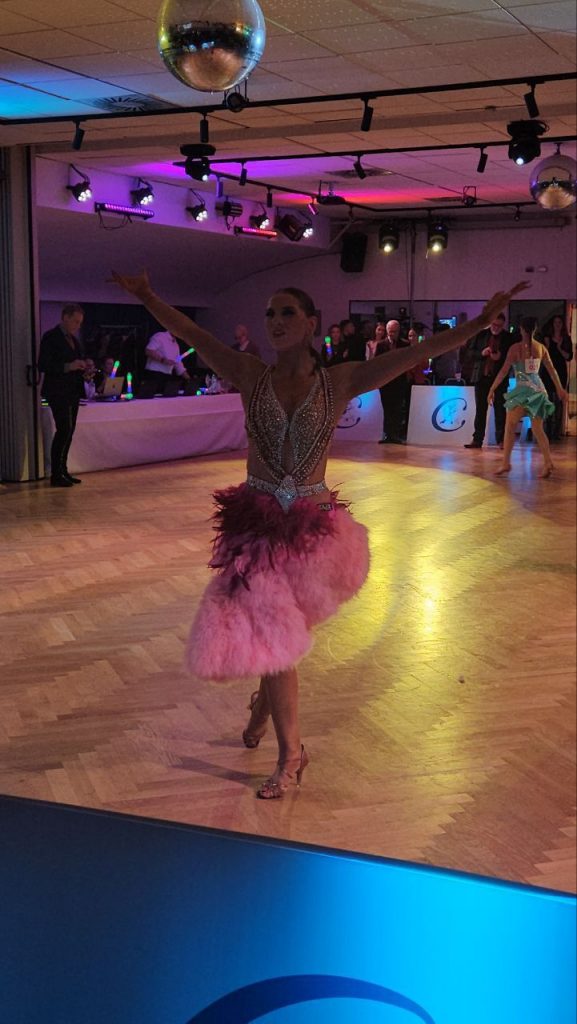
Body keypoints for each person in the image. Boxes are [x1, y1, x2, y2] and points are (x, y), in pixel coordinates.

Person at [110, 269, 529, 799]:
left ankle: (266, 706)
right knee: (276, 636)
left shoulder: (340, 381)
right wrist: (148, 296)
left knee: (277, 636)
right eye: (270, 313)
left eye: (287, 312)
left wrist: (481, 321)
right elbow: (193, 335)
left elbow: (421, 350)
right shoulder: (248, 372)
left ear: (311, 323)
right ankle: (292, 755)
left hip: (312, 535)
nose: (275, 321)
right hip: (257, 529)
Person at [488, 316, 567, 478]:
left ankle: (506, 463)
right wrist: (560, 388)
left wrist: (492, 388)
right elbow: (552, 370)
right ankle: (548, 462)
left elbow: (503, 371)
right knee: (538, 429)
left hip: (523, 392)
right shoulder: (541, 348)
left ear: (522, 329)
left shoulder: (515, 348)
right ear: (535, 329)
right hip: (538, 392)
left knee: (510, 426)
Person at [38, 302, 87, 487]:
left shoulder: (74, 340)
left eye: (80, 323)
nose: (78, 326)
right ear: (65, 317)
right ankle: (56, 474)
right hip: (57, 391)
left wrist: (83, 369)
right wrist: (70, 366)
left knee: (69, 431)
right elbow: (43, 364)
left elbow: (74, 363)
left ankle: (63, 470)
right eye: (76, 321)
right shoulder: (51, 337)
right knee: (64, 430)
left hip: (72, 390)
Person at [463, 312, 508, 449]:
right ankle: (477, 439)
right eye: (494, 324)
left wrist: (500, 356)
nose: (496, 328)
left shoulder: (508, 337)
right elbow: (469, 353)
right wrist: (482, 353)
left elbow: (511, 357)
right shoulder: (480, 335)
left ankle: (501, 440)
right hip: (481, 377)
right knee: (480, 410)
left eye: (499, 326)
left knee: (500, 409)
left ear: (503, 325)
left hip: (499, 379)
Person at [377, 320, 409, 443]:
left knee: (397, 409)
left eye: (395, 332)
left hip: (399, 381)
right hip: (385, 382)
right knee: (386, 409)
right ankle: (387, 434)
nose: (392, 334)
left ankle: (395, 435)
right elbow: (377, 362)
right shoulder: (381, 345)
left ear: (398, 331)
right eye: (390, 331)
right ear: (387, 331)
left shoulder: (405, 344)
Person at [542, 314, 573, 440]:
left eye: (559, 322)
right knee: (548, 400)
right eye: (555, 322)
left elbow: (569, 357)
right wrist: (548, 345)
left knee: (558, 401)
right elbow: (543, 355)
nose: (557, 325)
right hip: (548, 372)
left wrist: (560, 348)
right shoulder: (547, 338)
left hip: (560, 372)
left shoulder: (566, 339)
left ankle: (556, 433)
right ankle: (547, 431)